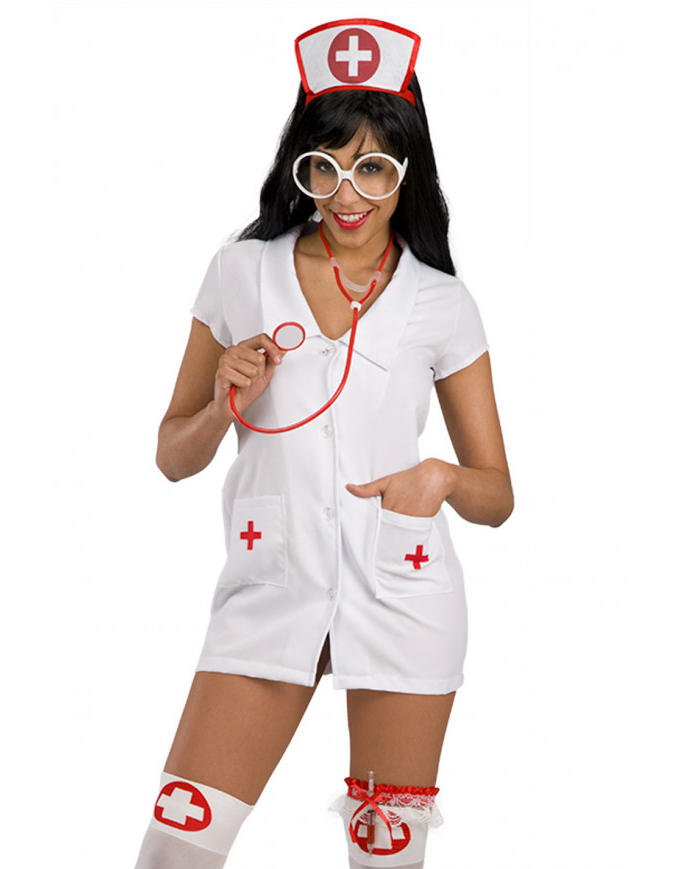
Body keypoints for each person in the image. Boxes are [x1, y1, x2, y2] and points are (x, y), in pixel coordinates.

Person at [134, 18, 514, 869]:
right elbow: (173, 455)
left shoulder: (442, 302)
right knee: (175, 849)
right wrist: (223, 404)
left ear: (406, 174)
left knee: (385, 861)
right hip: (269, 590)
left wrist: (442, 477)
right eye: (326, 166)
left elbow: (497, 494)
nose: (348, 194)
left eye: (373, 168)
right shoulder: (241, 272)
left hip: (405, 599)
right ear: (299, 168)